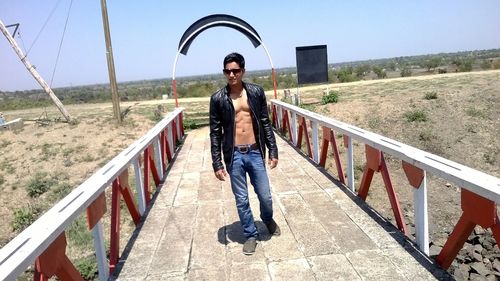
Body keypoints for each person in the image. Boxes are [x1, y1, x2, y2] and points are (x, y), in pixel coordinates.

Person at [209, 52, 280, 255]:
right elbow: (215, 133)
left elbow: (265, 123)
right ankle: (251, 234)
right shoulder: (217, 99)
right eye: (227, 71)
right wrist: (217, 163)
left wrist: (273, 150)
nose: (231, 75)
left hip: (255, 151)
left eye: (235, 70)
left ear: (243, 71)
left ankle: (267, 218)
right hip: (235, 156)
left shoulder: (256, 92)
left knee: (265, 195)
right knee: (241, 199)